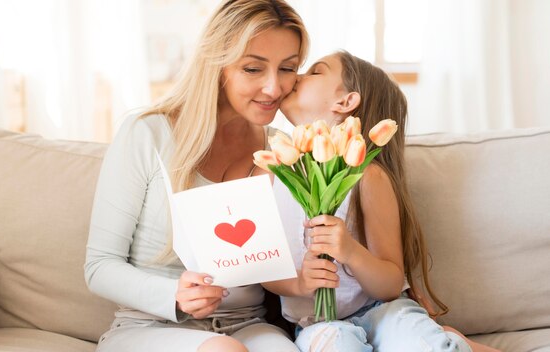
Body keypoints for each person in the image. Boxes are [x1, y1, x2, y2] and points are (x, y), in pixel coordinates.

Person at [84, 1, 309, 351]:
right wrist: (173, 294)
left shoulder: (283, 151)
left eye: (288, 68)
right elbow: (99, 266)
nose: (274, 88)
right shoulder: (147, 134)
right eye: (253, 69)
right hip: (149, 327)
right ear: (217, 64)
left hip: (246, 324)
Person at [261, 51, 499, 351]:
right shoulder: (272, 171)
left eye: (315, 72)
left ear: (345, 102)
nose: (296, 76)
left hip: (382, 313)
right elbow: (264, 271)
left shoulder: (367, 177)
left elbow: (388, 284)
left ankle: (444, 341)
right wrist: (299, 283)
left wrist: (350, 251)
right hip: (318, 323)